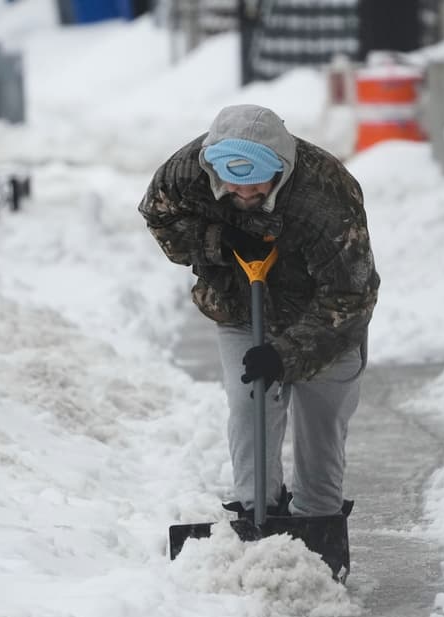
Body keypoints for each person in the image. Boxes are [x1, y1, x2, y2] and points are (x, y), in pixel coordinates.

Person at [138, 104, 379, 519]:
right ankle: (255, 513)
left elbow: (350, 296)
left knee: (321, 424)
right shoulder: (184, 174)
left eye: (257, 188)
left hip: (324, 319)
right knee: (250, 402)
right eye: (235, 190)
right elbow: (161, 220)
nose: (246, 198)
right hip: (240, 307)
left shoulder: (327, 195)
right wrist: (217, 239)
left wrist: (284, 355)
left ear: (281, 169)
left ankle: (317, 518)